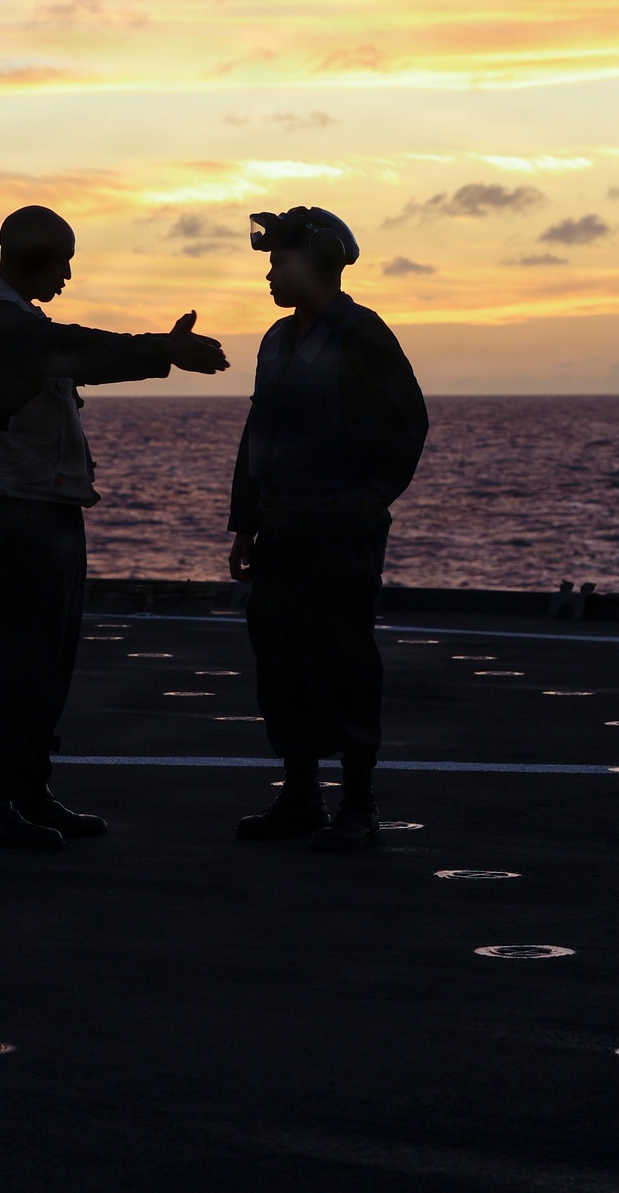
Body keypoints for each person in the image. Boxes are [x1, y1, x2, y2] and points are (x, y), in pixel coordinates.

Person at [0, 205, 229, 850]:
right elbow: (75, 349)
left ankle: (28, 792)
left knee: (47, 659)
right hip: (18, 515)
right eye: (61, 260)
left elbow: (67, 344)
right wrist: (165, 351)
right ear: (33, 255)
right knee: (16, 660)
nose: (67, 274)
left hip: (40, 510)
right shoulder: (0, 321)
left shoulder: (6, 315)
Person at [228, 207, 428, 851]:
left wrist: (363, 505)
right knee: (281, 661)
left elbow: (408, 427)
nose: (269, 274)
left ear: (315, 263)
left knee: (342, 659)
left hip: (338, 535)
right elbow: (256, 434)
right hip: (281, 529)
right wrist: (244, 525)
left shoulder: (363, 336)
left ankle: (359, 804)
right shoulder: (275, 341)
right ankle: (301, 797)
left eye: (279, 262)